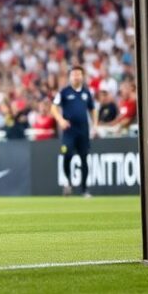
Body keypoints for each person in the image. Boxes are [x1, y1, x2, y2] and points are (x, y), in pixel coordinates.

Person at [52, 66, 98, 197]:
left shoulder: (86, 93)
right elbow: (53, 108)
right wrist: (60, 120)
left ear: (82, 76)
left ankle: (84, 190)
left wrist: (95, 125)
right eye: (73, 75)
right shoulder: (64, 92)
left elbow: (93, 109)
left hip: (83, 131)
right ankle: (68, 182)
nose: (76, 77)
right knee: (67, 155)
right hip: (69, 131)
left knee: (84, 159)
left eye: (78, 74)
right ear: (70, 77)